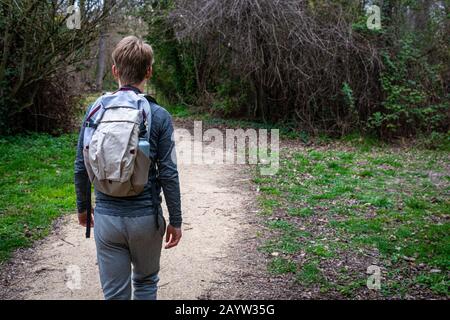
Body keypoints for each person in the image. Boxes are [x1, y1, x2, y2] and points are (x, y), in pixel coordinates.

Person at [74, 36, 182, 300]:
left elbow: (80, 165)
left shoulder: (95, 110)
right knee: (146, 284)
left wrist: (83, 208)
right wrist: (176, 221)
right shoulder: (159, 115)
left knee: (114, 294)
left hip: (107, 218)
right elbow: (168, 173)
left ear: (114, 71)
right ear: (149, 71)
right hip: (145, 218)